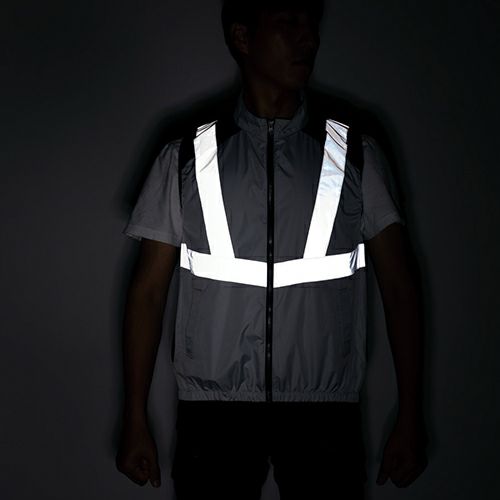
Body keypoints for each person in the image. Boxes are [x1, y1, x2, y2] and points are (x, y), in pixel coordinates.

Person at [115, 1, 429, 498]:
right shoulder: (184, 157)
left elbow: (400, 286)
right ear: (243, 38)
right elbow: (147, 293)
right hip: (213, 411)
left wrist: (411, 414)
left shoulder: (355, 154)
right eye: (289, 22)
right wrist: (134, 417)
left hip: (324, 411)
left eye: (312, 24)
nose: (309, 38)